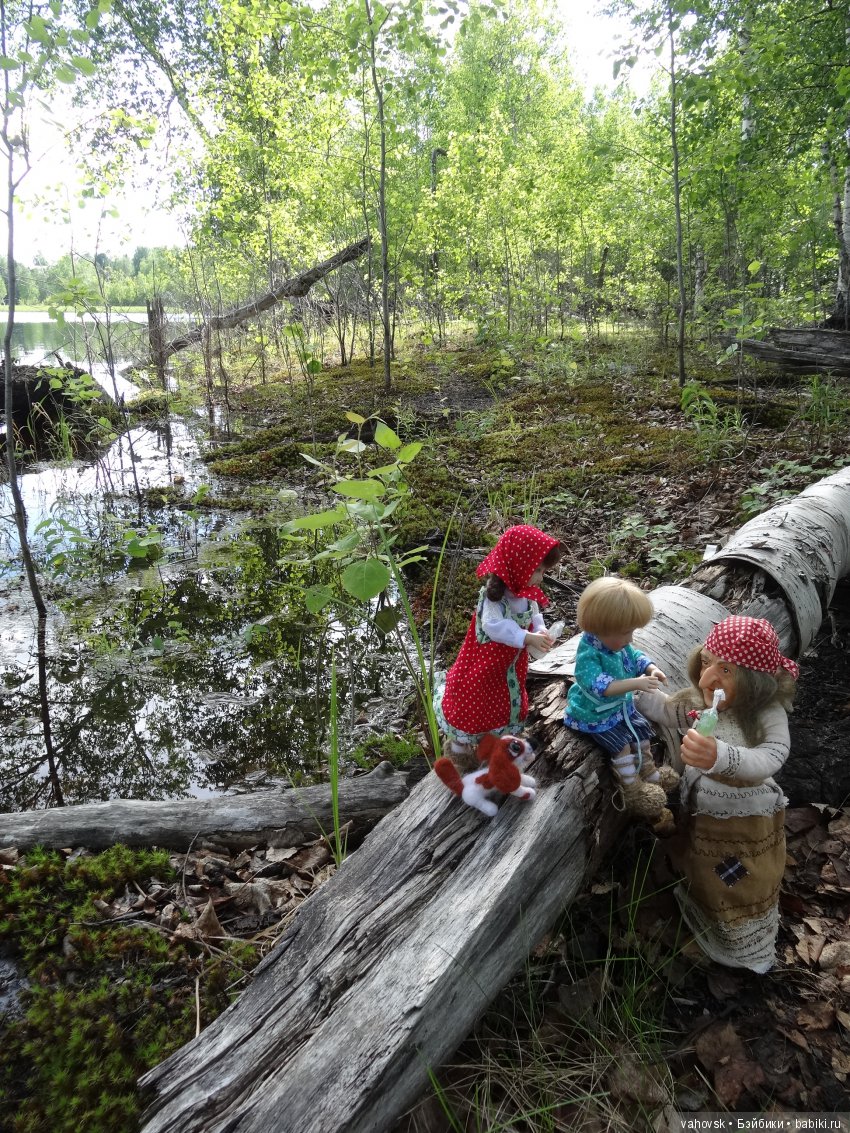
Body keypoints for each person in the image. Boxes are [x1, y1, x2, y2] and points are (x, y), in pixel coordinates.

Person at [637, 615, 799, 973]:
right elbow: (671, 710)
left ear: (753, 681)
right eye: (707, 663)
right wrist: (632, 693)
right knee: (703, 869)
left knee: (736, 880)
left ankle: (742, 950)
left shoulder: (765, 713)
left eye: (726, 671)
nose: (709, 678)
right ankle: (701, 910)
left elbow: (774, 754)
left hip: (745, 823)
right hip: (702, 814)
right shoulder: (707, 705)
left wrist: (721, 757)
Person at [434, 525, 562, 764]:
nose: (540, 577)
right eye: (537, 570)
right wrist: (527, 638)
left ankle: (502, 739)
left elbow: (535, 617)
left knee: (506, 701)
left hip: (509, 668)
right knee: (475, 703)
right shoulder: (493, 599)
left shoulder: (526, 595)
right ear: (517, 565)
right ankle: (460, 750)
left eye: (542, 571)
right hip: (483, 666)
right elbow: (494, 626)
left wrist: (541, 633)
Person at [563, 577, 679, 827]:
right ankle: (632, 788)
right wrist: (636, 683)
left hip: (621, 707)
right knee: (621, 746)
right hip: (597, 713)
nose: (630, 638)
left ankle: (649, 771)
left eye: (631, 632)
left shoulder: (618, 644)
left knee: (642, 733)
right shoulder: (588, 654)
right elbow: (602, 686)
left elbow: (634, 656)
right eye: (626, 632)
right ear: (602, 628)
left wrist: (650, 667)